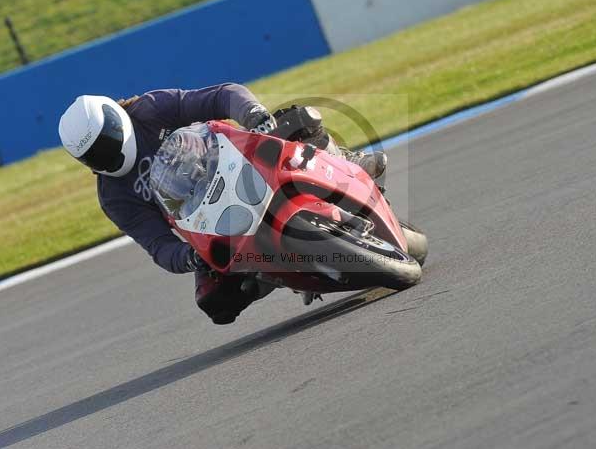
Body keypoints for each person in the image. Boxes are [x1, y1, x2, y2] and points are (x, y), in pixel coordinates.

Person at [58, 83, 386, 324]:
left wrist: (253, 114)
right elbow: (158, 246)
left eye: (109, 139)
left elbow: (222, 95)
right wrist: (189, 256)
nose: (108, 152)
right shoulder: (115, 197)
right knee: (216, 303)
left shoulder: (150, 109)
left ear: (117, 119)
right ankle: (281, 274)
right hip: (215, 225)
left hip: (244, 165)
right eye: (96, 153)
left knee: (297, 119)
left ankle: (346, 164)